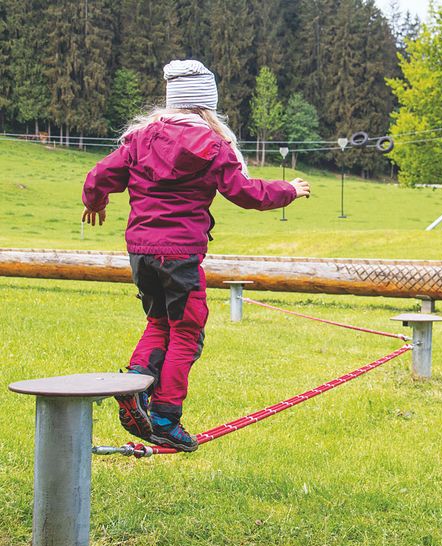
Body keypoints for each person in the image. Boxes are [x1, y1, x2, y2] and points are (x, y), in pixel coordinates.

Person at [81, 60, 310, 452]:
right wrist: (289, 189)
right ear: (207, 105)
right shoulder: (212, 145)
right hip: (181, 256)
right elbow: (248, 194)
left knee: (158, 322)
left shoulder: (139, 138)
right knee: (187, 332)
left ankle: (134, 384)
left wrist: (96, 201)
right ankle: (166, 418)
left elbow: (99, 176)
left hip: (141, 252)